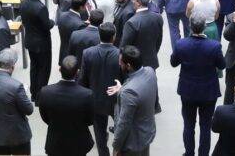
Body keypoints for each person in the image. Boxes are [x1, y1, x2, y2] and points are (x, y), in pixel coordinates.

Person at [171, 14, 225, 156]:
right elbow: (222, 65)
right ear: (205, 27)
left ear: (190, 26)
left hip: (188, 90)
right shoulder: (214, 46)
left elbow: (173, 62)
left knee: (189, 125)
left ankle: (189, 153)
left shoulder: (181, 44)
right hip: (208, 91)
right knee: (205, 126)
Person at [79, 22, 122, 156]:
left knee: (100, 135)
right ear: (114, 37)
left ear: (99, 35)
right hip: (116, 99)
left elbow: (83, 79)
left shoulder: (87, 53)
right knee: (121, 130)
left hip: (96, 99)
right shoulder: (121, 54)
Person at [39, 55, 95, 156]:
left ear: (60, 69)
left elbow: (45, 117)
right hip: (78, 143)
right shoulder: (87, 94)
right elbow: (90, 120)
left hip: (55, 142)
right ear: (77, 72)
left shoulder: (45, 92)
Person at [107, 45, 158, 155]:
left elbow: (123, 124)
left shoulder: (129, 92)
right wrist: (122, 89)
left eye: (121, 62)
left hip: (132, 144)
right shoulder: (150, 72)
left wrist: (116, 147)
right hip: (146, 135)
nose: (119, 64)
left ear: (128, 65)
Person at [19, 0, 55, 102]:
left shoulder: (23, 3)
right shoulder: (41, 7)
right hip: (42, 43)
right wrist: (52, 21)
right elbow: (47, 25)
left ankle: (34, 94)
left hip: (30, 40)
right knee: (43, 70)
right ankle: (40, 97)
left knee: (34, 67)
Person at [120, 0, 164, 70]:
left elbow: (124, 47)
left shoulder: (131, 23)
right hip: (151, 62)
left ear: (138, 2)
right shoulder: (158, 17)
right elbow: (159, 41)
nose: (132, 1)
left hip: (135, 65)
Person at [58, 0, 88, 64]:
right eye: (85, 5)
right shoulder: (80, 25)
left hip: (63, 53)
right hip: (72, 58)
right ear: (81, 7)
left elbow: (70, 25)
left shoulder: (62, 15)